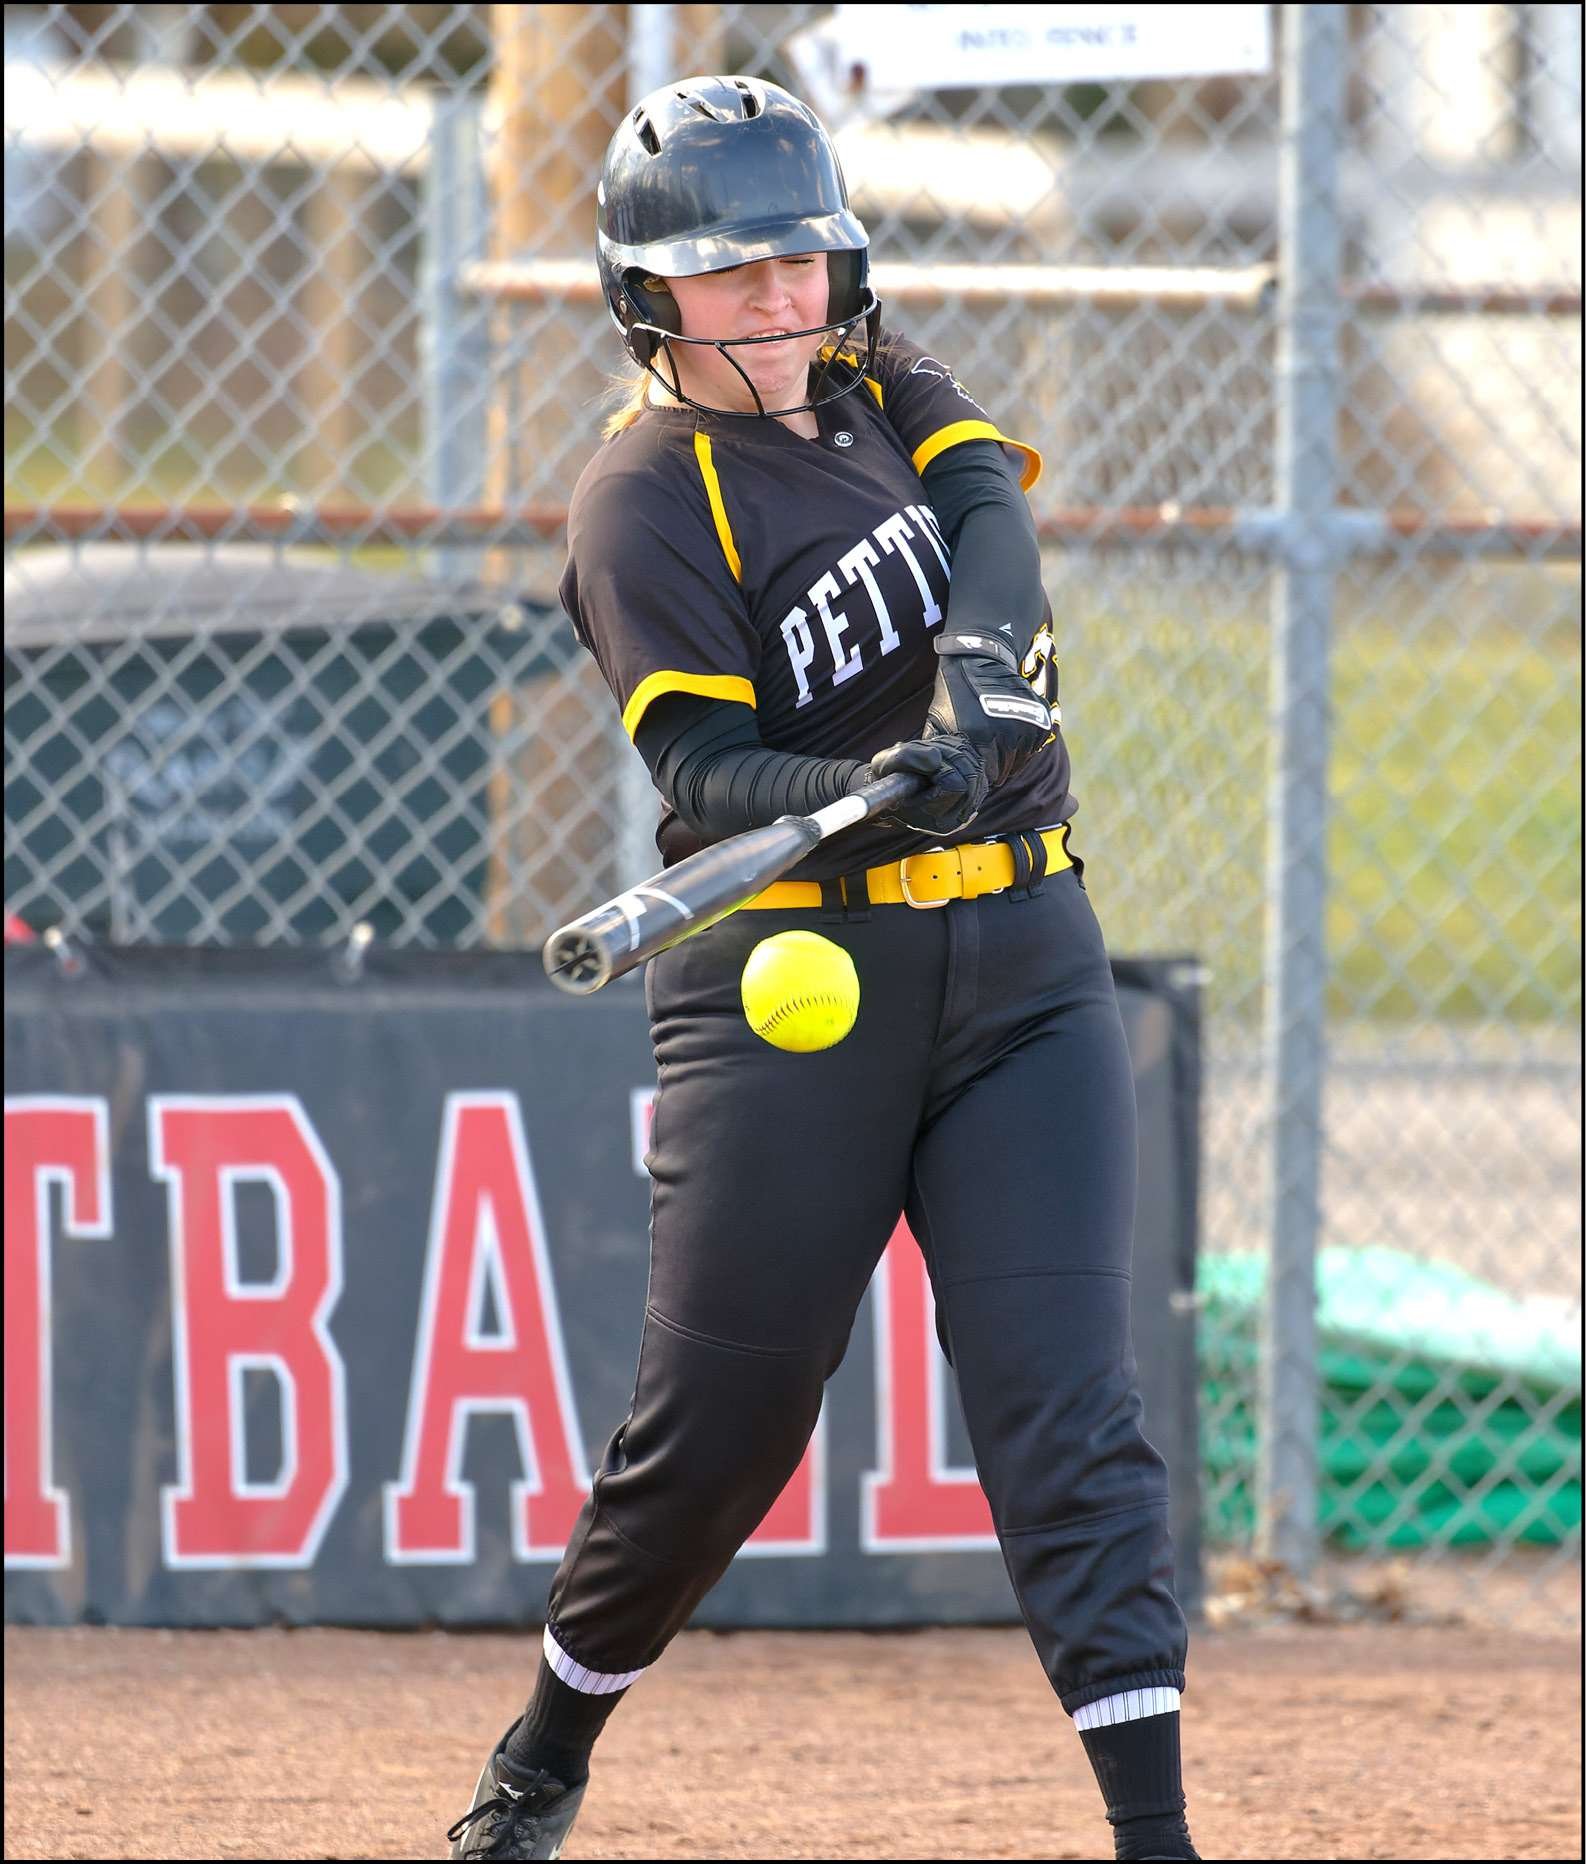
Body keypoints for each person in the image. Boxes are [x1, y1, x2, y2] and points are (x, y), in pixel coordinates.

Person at [447, 75, 1197, 1864]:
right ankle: (547, 1750)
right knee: (721, 1429)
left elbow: (986, 508)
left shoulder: (878, 379)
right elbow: (706, 776)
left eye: (801, 259)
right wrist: (854, 792)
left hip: (1027, 958)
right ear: (648, 299)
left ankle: (1156, 1836)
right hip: (797, 979)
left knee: (1069, 1412)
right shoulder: (642, 497)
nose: (779, 299)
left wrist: (984, 677)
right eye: (730, 274)